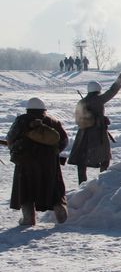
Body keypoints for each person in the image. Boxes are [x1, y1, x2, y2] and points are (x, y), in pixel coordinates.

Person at [6, 97, 69, 226]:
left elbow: (10, 139)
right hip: (49, 163)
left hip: (25, 162)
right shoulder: (53, 121)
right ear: (44, 109)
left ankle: (28, 218)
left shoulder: (21, 121)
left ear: (28, 109)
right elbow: (63, 141)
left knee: (26, 190)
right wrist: (53, 153)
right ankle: (59, 210)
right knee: (53, 188)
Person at [68, 72, 121, 184]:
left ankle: (82, 183)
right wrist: (120, 78)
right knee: (104, 157)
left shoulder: (81, 102)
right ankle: (102, 181)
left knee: (82, 160)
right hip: (98, 133)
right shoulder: (99, 99)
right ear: (98, 89)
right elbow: (112, 91)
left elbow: (78, 119)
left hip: (83, 134)